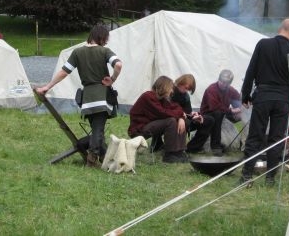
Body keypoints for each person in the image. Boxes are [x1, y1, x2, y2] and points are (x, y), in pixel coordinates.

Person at [36, 24, 122, 168]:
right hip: (102, 96)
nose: (106, 42)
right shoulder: (104, 51)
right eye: (106, 39)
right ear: (102, 37)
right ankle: (92, 159)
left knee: (97, 129)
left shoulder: (78, 52)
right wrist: (112, 79)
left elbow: (64, 72)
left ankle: (104, 157)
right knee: (98, 130)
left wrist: (47, 87)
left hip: (87, 98)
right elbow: (118, 65)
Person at [239, 18, 289, 186]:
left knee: (255, 136)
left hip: (263, 97)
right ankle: (270, 178)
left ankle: (246, 176)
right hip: (282, 100)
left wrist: (245, 95)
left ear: (280, 29)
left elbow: (251, 70)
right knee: (276, 139)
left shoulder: (263, 44)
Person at [128, 75, 188, 164]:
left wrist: (181, 118)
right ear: (164, 87)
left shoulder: (162, 98)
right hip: (139, 130)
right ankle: (170, 154)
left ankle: (179, 152)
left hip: (149, 125)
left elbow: (177, 107)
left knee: (179, 120)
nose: (172, 91)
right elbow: (162, 113)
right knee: (171, 121)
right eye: (170, 88)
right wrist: (180, 115)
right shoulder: (148, 96)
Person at [200, 69, 242, 155]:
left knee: (242, 114)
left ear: (229, 83)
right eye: (222, 82)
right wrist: (231, 110)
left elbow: (239, 99)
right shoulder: (211, 89)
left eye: (226, 83)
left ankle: (245, 142)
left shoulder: (230, 90)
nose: (224, 84)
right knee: (218, 113)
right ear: (219, 79)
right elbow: (214, 107)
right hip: (208, 115)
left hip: (223, 113)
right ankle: (215, 146)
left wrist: (240, 108)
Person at [171, 74, 215, 154]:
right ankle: (178, 149)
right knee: (186, 122)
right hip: (173, 119)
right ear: (181, 82)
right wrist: (181, 117)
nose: (186, 91)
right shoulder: (170, 91)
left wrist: (194, 115)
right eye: (186, 88)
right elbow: (167, 109)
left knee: (209, 120)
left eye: (188, 89)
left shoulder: (185, 95)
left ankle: (192, 148)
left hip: (184, 118)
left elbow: (188, 111)